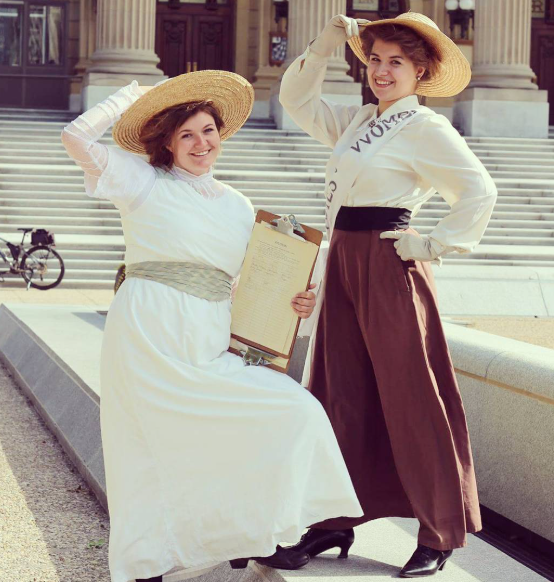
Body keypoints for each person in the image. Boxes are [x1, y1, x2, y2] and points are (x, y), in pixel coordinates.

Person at [61, 70, 363, 582]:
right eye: (187, 135)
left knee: (294, 410)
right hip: (149, 333)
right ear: (168, 144)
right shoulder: (141, 181)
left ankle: (258, 534)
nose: (201, 143)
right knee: (149, 450)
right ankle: (145, 561)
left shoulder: (238, 205)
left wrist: (298, 300)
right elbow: (75, 139)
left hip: (209, 337)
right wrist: (126, 99)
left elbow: (256, 282)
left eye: (208, 130)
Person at [280, 12, 497, 579]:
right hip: (346, 260)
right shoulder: (357, 121)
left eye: (395, 62)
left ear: (420, 71)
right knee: (338, 391)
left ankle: (439, 531)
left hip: (389, 262)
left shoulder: (426, 129)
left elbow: (480, 191)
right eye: (373, 59)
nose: (381, 71)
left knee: (412, 393)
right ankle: (331, 520)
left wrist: (430, 242)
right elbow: (298, 100)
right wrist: (328, 42)